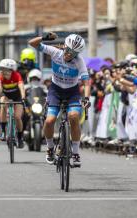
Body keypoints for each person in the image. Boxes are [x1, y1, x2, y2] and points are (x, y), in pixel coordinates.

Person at [28, 32, 91, 166]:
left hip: (72, 92)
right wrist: (44, 37)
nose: (69, 54)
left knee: (74, 117)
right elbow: (32, 43)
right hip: (55, 90)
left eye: (73, 53)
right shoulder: (55, 52)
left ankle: (75, 152)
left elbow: (86, 82)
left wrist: (86, 98)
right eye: (68, 50)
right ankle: (50, 148)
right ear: (64, 47)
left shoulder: (79, 61)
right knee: (50, 120)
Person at [0, 58, 26, 148]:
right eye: (2, 69)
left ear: (11, 70)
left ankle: (20, 137)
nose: (3, 72)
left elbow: (21, 87)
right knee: (2, 102)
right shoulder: (0, 77)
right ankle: (3, 131)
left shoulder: (17, 75)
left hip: (17, 96)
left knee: (17, 117)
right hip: (6, 96)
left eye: (5, 69)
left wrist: (23, 98)